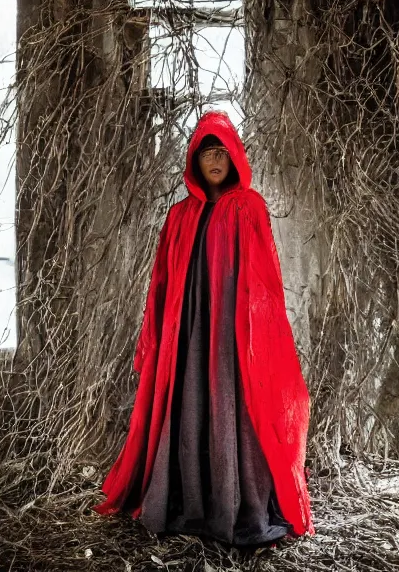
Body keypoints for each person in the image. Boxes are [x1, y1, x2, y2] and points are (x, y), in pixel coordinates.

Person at [92, 110, 314, 545]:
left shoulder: (250, 208)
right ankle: (186, 501)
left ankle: (235, 504)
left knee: (231, 407)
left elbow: (266, 280)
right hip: (188, 334)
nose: (215, 158)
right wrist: (158, 332)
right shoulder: (179, 216)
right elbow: (162, 279)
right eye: (206, 151)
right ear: (195, 160)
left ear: (234, 157)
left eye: (222, 150)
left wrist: (253, 333)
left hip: (233, 335)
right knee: (188, 406)